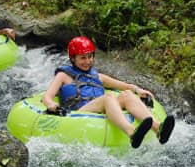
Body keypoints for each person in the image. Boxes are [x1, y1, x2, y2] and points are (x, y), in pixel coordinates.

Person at [42, 36, 175, 148]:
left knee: (127, 95)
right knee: (108, 97)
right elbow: (47, 96)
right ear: (73, 58)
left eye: (90, 57)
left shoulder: (97, 76)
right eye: (82, 58)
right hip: (79, 111)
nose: (87, 61)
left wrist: (137, 90)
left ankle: (158, 129)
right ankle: (131, 133)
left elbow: (124, 86)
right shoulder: (63, 76)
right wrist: (51, 105)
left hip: (101, 108)